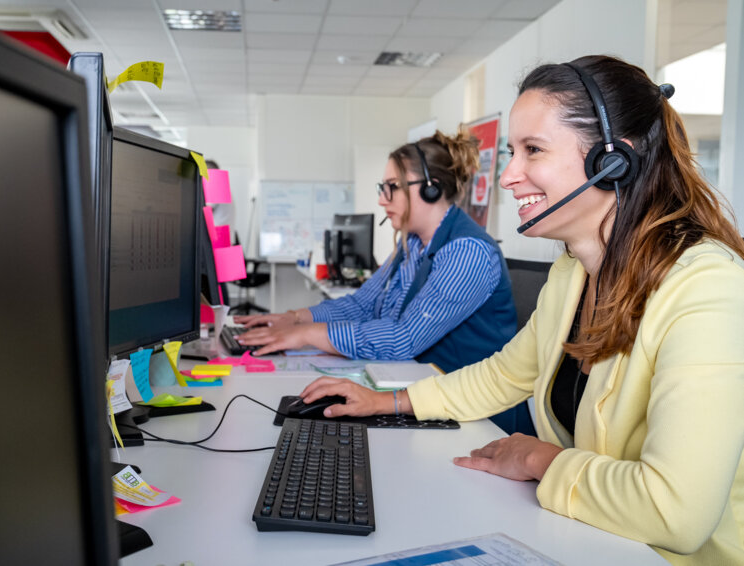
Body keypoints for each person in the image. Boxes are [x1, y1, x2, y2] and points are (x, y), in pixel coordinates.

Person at [299, 55, 744, 565]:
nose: (509, 176)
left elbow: (677, 514)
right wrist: (389, 404)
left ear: (611, 161)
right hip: (586, 539)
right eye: (513, 151)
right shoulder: (574, 272)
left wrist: (539, 458)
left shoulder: (707, 288)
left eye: (533, 150)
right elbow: (504, 375)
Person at [237, 127, 530, 433]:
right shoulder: (413, 244)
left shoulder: (467, 252)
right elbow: (361, 304)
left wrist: (306, 335)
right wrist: (294, 318)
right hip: (422, 395)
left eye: (391, 186)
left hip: (478, 422)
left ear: (430, 188)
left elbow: (404, 339)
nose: (381, 199)